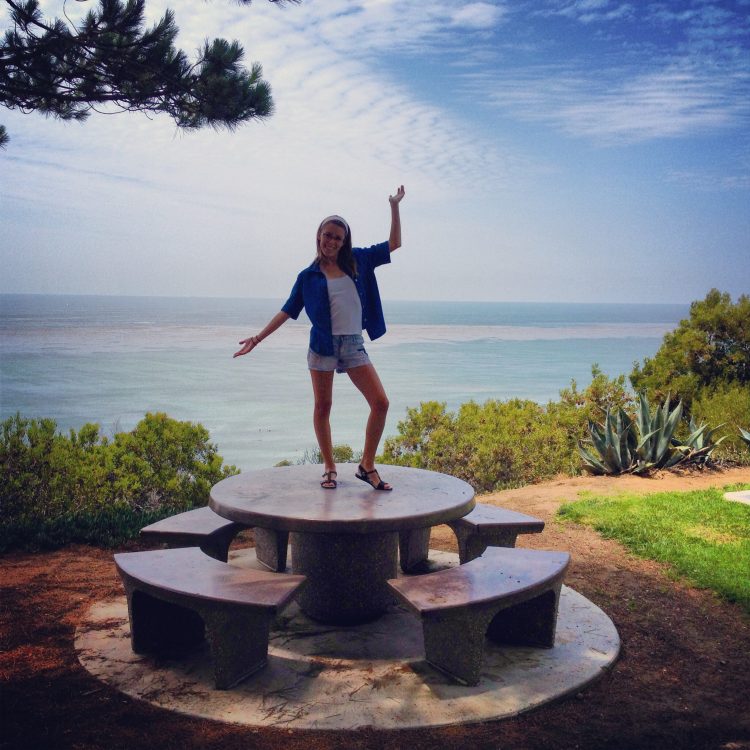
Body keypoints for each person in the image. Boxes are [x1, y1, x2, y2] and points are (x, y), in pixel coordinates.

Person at [234, 186, 406, 491]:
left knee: (380, 402)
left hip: (353, 344)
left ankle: (366, 465)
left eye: (338, 238)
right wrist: (257, 339)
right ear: (319, 236)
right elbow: (287, 310)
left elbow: (394, 243)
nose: (332, 242)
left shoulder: (359, 260)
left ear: (344, 241)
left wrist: (394, 206)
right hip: (322, 347)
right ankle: (329, 467)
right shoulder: (307, 276)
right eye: (328, 235)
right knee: (323, 407)